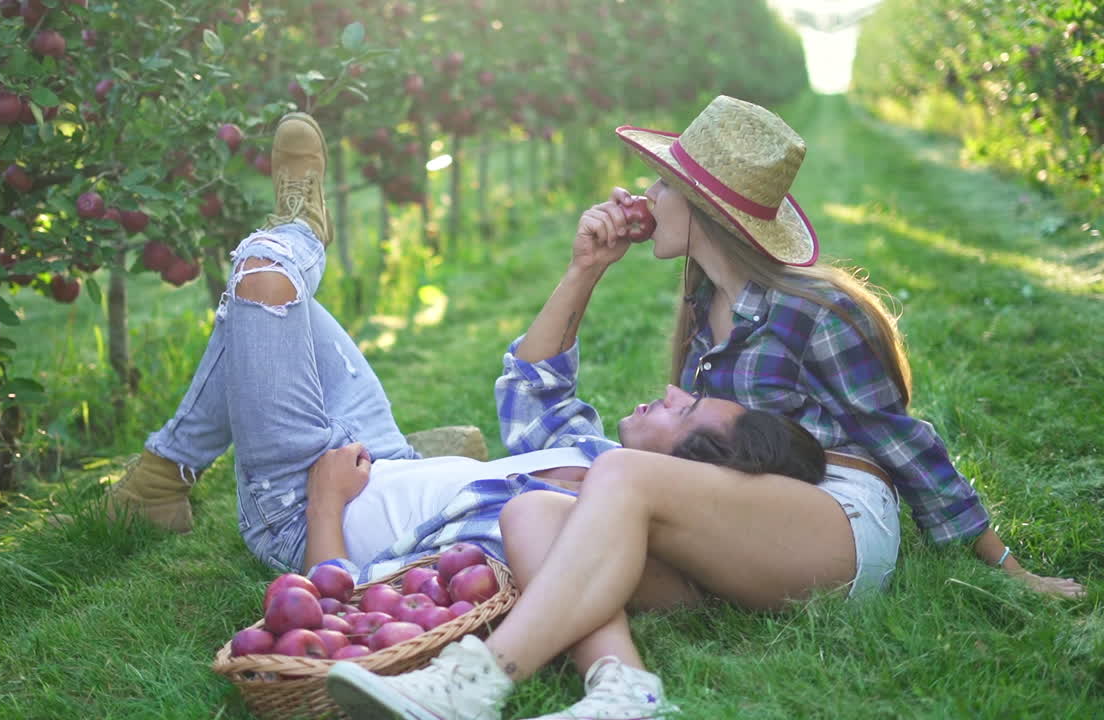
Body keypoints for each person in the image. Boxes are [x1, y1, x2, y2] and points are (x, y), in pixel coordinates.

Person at [324, 95, 1085, 720]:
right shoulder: (702, 310)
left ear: (701, 206)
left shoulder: (817, 310)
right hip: (744, 536)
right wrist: (588, 266)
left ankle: (474, 684)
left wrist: (1011, 570)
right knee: (533, 515)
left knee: (621, 472)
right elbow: (538, 416)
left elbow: (905, 443)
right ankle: (622, 692)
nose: (644, 197)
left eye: (660, 185)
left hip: (836, 523)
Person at [87, 111, 825, 579]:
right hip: (385, 460)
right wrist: (586, 267)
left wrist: (322, 503)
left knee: (266, 282)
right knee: (266, 317)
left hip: (304, 502)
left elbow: (341, 605)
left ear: (685, 474)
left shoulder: (558, 534)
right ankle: (162, 479)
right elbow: (531, 386)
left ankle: (300, 233)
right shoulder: (601, 462)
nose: (671, 387)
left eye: (685, 410)